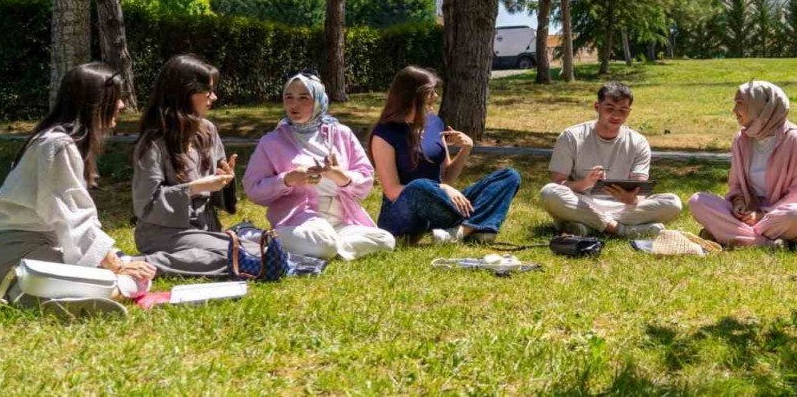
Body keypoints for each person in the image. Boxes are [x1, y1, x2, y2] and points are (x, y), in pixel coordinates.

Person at [0, 63, 157, 314]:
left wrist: (119, 258)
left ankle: (41, 296)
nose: (122, 105)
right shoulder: (57, 146)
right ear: (95, 102)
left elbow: (73, 220)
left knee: (138, 271)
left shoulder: (55, 141)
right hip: (12, 263)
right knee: (130, 279)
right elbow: (72, 218)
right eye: (116, 98)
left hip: (19, 258)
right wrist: (116, 266)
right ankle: (37, 296)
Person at [243, 71, 395, 260]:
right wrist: (288, 179)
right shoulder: (272, 141)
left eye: (303, 98)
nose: (294, 104)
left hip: (341, 221)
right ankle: (264, 239)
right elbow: (253, 188)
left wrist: (340, 176)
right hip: (302, 221)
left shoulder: (341, 134)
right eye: (288, 97)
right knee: (323, 241)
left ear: (318, 101)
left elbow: (365, 179)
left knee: (386, 240)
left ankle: (330, 248)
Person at [370, 66, 520, 244]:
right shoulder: (385, 133)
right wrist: (441, 188)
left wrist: (466, 149)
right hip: (402, 213)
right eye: (430, 92)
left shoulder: (435, 123)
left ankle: (461, 231)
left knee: (509, 176)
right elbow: (392, 191)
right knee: (418, 186)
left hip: (438, 205)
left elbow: (446, 176)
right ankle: (477, 226)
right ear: (412, 96)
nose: (436, 97)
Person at [132, 55, 250, 277]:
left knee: (251, 251)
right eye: (208, 91)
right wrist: (193, 188)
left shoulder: (207, 130)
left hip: (204, 228)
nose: (213, 97)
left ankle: (159, 263)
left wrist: (225, 179)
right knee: (240, 257)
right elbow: (146, 204)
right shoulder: (153, 143)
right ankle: (144, 264)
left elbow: (218, 188)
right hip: (165, 232)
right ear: (185, 93)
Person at [688, 80, 797, 247]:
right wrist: (739, 203)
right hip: (749, 214)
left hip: (783, 217)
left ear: (760, 107)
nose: (734, 111)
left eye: (740, 103)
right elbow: (736, 185)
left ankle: (729, 234)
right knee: (698, 201)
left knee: (796, 214)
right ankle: (765, 242)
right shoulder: (741, 140)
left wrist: (762, 216)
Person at [540, 82, 682, 238]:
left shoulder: (638, 142)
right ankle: (622, 230)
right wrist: (585, 183)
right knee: (549, 193)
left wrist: (632, 198)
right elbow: (558, 183)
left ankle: (586, 224)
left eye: (623, 110)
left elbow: (640, 188)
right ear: (597, 106)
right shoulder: (570, 136)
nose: (616, 116)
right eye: (609, 108)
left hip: (622, 207)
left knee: (673, 203)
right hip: (582, 201)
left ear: (629, 111)